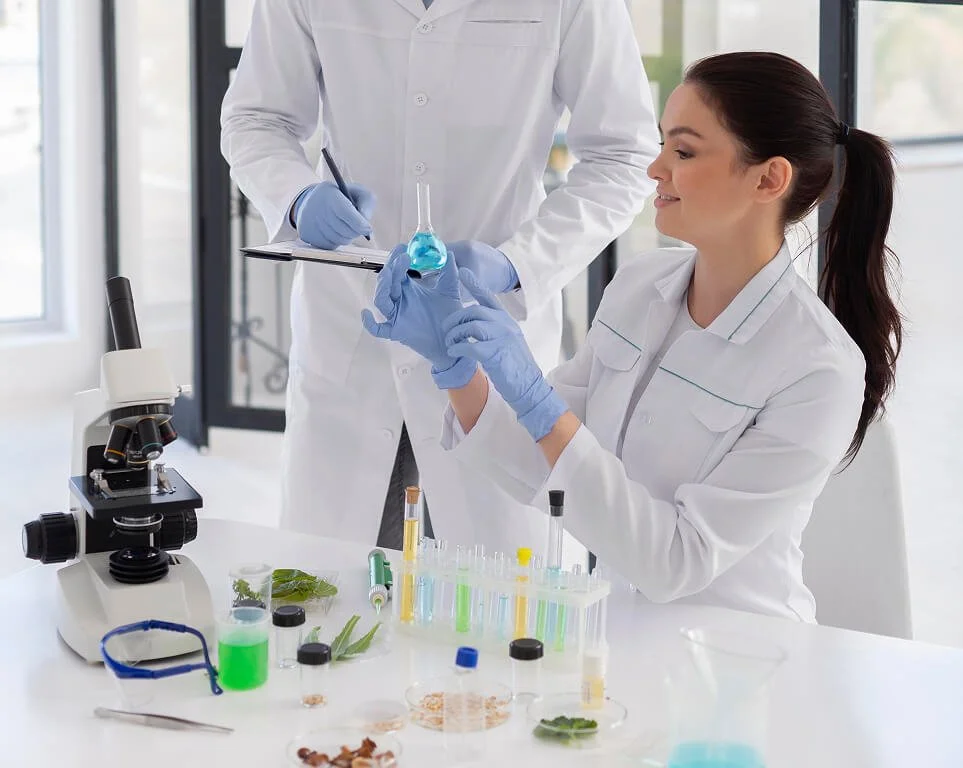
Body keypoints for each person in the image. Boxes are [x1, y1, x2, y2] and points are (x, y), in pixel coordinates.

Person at [362, 51, 903, 621]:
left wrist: (540, 403)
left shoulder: (818, 369)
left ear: (769, 178)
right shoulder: (641, 285)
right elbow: (539, 465)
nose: (655, 169)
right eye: (664, 143)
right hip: (617, 638)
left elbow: (676, 561)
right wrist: (454, 363)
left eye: (684, 151)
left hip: (744, 660)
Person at [221, 1, 659, 551]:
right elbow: (257, 118)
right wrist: (296, 196)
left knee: (500, 611)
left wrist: (517, 263)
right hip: (352, 339)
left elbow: (624, 156)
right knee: (330, 604)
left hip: (485, 338)